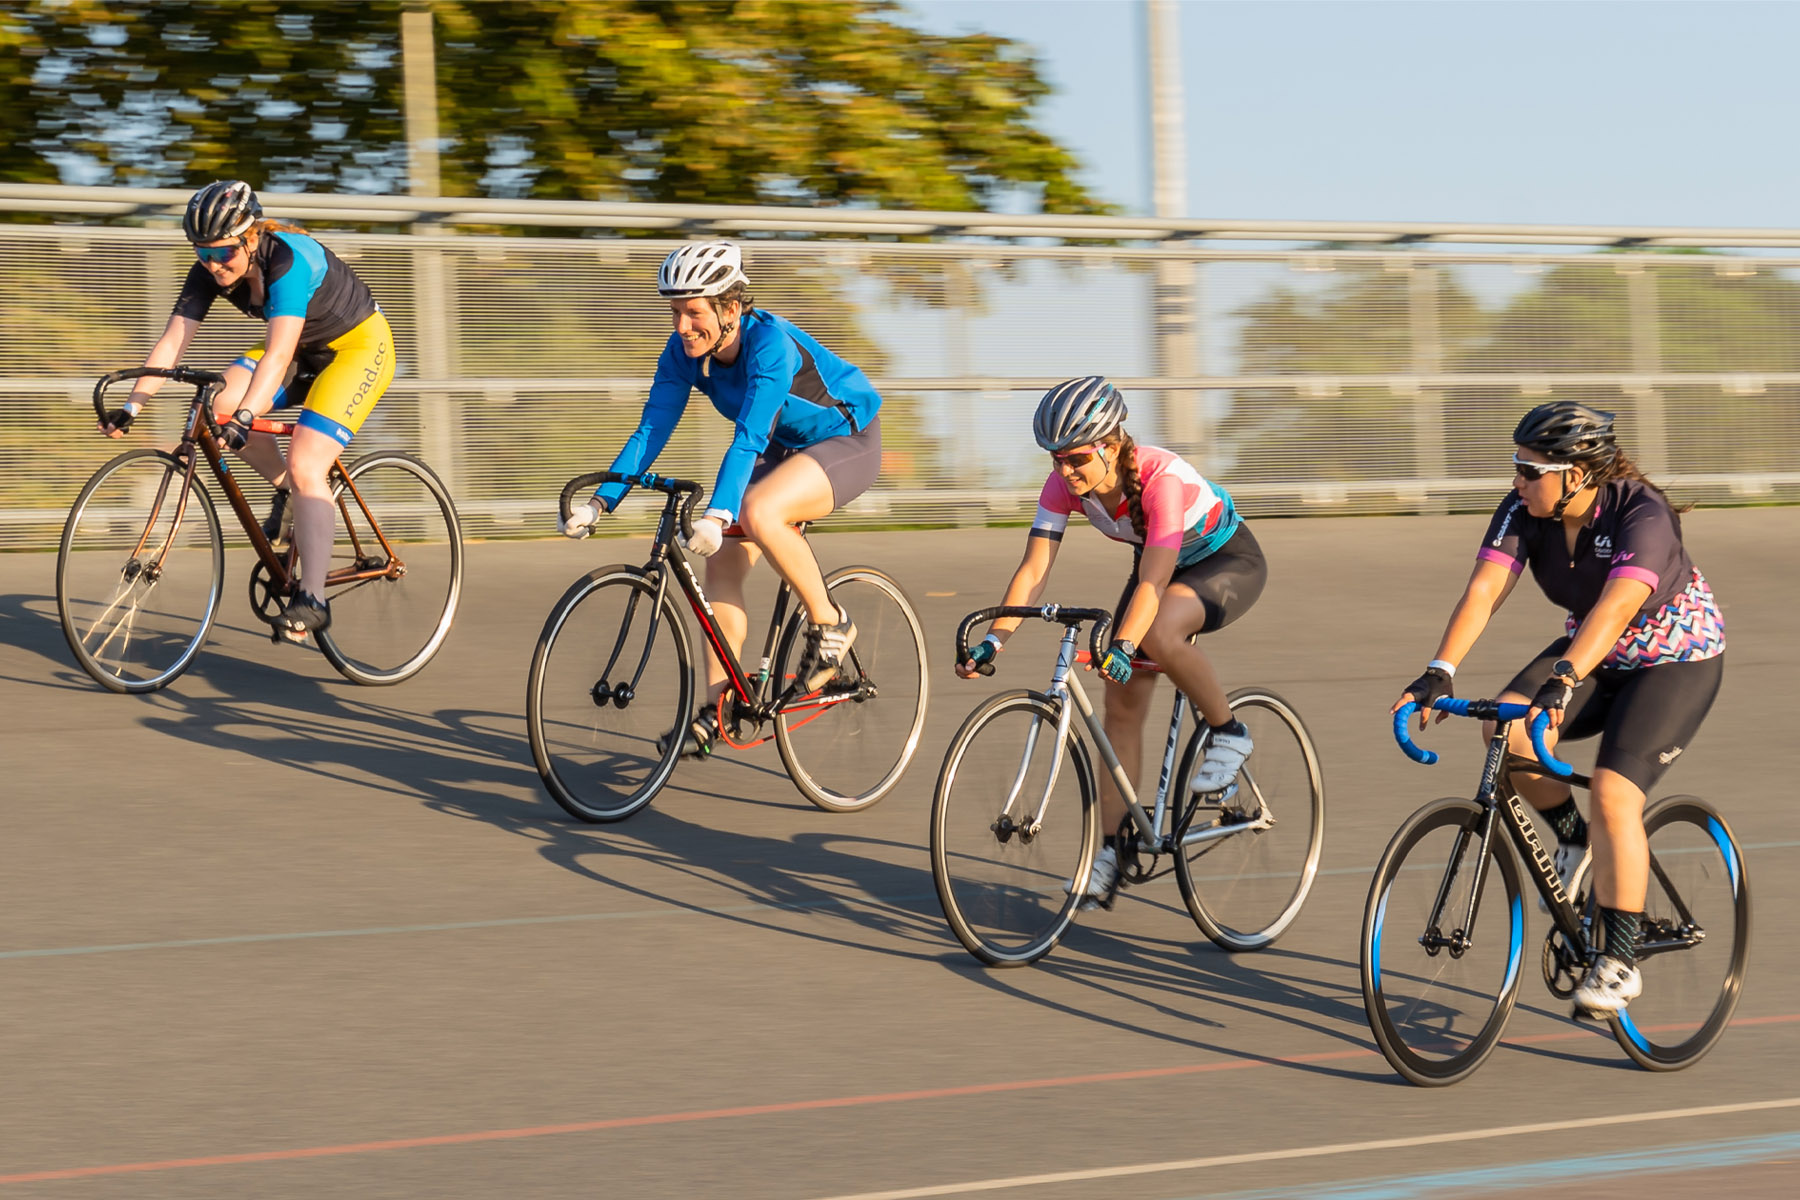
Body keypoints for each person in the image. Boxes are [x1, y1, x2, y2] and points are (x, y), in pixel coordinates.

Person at [1393, 401, 1725, 1017]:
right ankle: (1573, 842)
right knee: (1507, 730)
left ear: (1576, 473)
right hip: (1593, 653)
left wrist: (1566, 676)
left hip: (1673, 660)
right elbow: (1485, 589)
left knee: (1614, 792)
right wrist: (1440, 670)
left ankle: (1620, 961)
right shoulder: (1525, 508)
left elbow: (1617, 607)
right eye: (1516, 466)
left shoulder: (1639, 512)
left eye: (1529, 469)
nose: (1517, 481)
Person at [955, 376, 1267, 909]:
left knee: (1160, 633)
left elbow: (1153, 581)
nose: (1065, 472)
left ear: (1113, 444)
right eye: (1055, 460)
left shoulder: (1158, 480)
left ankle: (1229, 731)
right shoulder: (1062, 487)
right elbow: (1033, 571)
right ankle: (1114, 847)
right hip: (1158, 568)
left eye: (1075, 457)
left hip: (1223, 562)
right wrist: (995, 641)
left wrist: (1124, 644)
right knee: (1119, 706)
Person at [563, 240, 883, 758]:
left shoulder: (770, 346)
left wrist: (719, 511)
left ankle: (831, 622)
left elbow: (749, 440)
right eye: (675, 313)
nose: (682, 326)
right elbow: (651, 429)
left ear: (731, 308)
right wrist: (601, 502)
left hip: (846, 439)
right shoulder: (682, 354)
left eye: (694, 313)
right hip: (782, 446)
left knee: (759, 512)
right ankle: (718, 710)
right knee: (721, 567)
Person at [97, 180, 396, 643]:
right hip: (300, 348)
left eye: (223, 254)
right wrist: (132, 405)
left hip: (356, 349)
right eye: (203, 253)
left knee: (304, 461)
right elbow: (174, 340)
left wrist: (247, 416)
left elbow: (277, 357)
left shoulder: (286, 261)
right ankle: (288, 491)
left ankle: (312, 599)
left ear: (250, 237)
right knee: (219, 406)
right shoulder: (208, 268)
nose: (214, 265)